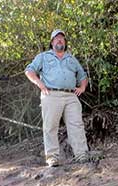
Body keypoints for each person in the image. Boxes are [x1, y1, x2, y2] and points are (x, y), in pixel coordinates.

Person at [25, 29, 90, 167]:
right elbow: (29, 71)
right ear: (52, 42)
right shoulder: (43, 57)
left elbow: (82, 75)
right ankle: (52, 157)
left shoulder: (71, 59)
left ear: (65, 42)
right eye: (56, 38)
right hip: (51, 94)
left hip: (71, 95)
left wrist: (82, 87)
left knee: (76, 125)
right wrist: (39, 83)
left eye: (62, 38)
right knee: (50, 126)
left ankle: (82, 155)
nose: (59, 40)